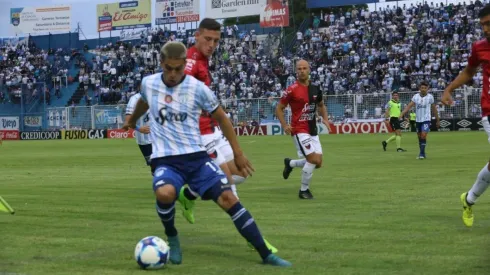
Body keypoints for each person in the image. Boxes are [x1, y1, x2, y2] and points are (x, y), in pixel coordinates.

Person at [123, 42, 291, 267]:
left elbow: (222, 118)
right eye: (168, 68)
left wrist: (238, 153)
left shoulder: (197, 88)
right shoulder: (149, 83)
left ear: (185, 64)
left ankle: (266, 254)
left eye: (178, 69)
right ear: (161, 64)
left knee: (228, 198)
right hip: (165, 159)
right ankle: (172, 237)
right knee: (165, 193)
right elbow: (144, 101)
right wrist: (132, 120)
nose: (173, 74)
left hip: (197, 158)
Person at [176, 18, 277, 252]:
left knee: (242, 172)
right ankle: (259, 243)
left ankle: (188, 193)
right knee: (229, 188)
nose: (212, 44)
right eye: (208, 39)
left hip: (214, 130)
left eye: (216, 40)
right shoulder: (191, 63)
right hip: (200, 136)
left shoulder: (203, 60)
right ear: (197, 36)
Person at [442, 4, 490, 228]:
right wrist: (449, 89)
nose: (486, 30)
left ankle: (469, 199)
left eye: (489, 24)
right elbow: (469, 72)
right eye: (483, 26)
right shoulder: (480, 47)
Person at [275, 60, 330, 199]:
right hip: (299, 129)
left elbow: (321, 105)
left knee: (318, 163)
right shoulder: (291, 89)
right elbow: (279, 108)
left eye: (304, 68)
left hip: (312, 129)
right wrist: (285, 125)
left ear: (309, 70)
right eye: (299, 68)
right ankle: (303, 190)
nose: (302, 71)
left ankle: (291, 163)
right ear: (296, 71)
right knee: (313, 159)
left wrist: (326, 119)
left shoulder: (316, 88)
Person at [399, 81, 440, 159]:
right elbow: (409, 106)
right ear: (419, 88)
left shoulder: (430, 97)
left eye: (425, 88)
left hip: (426, 119)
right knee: (419, 137)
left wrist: (438, 120)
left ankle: (421, 154)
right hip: (418, 120)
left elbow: (434, 109)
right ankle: (423, 153)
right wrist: (402, 114)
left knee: (423, 135)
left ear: (427, 88)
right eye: (422, 88)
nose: (423, 89)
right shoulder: (415, 97)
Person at [125, 93, 152, 171]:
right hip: (145, 141)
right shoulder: (134, 99)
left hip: (159, 137)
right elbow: (128, 122)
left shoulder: (159, 95)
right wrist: (139, 129)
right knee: (155, 167)